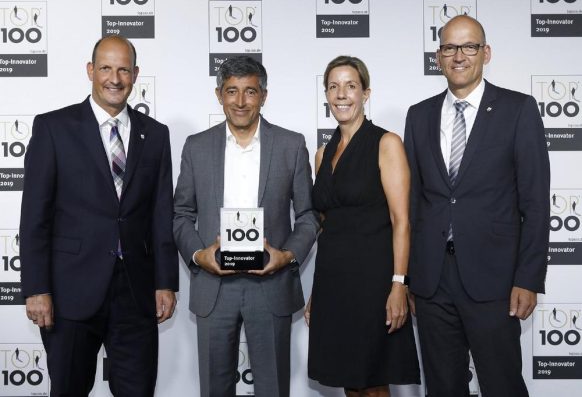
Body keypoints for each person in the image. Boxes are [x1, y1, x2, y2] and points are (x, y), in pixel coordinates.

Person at [20, 35, 178, 396]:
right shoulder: (53, 128)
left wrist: (165, 281)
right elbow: (34, 218)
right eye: (106, 68)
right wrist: (37, 288)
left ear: (135, 74)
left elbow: (160, 214)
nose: (115, 79)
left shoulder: (155, 134)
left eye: (123, 70)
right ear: (90, 70)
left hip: (136, 293)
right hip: (69, 292)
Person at [404, 15, 550, 397]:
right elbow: (415, 202)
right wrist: (410, 277)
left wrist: (528, 278)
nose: (459, 56)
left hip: (495, 280)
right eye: (449, 47)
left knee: (502, 385)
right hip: (433, 282)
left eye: (469, 46)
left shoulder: (518, 109)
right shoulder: (418, 116)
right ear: (438, 56)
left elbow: (535, 203)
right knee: (442, 387)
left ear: (486, 53)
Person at [173, 56, 319, 397]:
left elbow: (309, 215)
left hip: (270, 285)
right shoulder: (196, 146)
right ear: (219, 95)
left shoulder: (291, 145)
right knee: (214, 389)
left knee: (273, 388)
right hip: (214, 286)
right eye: (231, 91)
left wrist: (287, 255)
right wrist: (198, 255)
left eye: (250, 91)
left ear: (263, 96)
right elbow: (181, 214)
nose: (240, 101)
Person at [306, 56, 420, 397]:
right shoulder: (322, 154)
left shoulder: (386, 143)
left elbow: (402, 221)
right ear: (326, 95)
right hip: (334, 282)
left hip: (374, 281)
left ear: (365, 93)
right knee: (350, 382)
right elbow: (328, 226)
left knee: (372, 383)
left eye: (351, 86)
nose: (341, 94)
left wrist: (399, 284)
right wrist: (316, 292)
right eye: (333, 87)